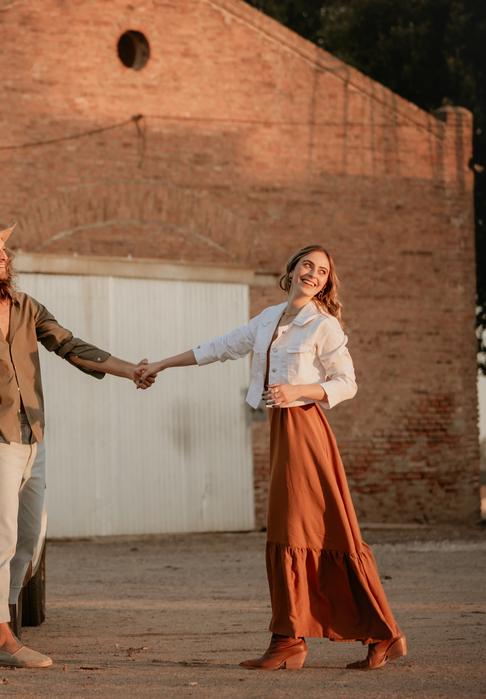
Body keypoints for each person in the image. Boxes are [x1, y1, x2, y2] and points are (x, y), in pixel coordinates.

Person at [133, 245, 406, 671]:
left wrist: (299, 390)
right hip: (282, 430)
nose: (313, 274)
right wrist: (162, 365)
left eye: (322, 271)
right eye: (307, 265)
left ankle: (379, 634)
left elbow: (347, 382)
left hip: (306, 430)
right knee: (285, 531)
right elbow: (220, 347)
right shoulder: (268, 319)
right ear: (292, 270)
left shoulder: (324, 324)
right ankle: (288, 639)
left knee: (322, 531)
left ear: (326, 283)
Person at [0, 218, 147, 668]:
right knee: (0, 535)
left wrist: (128, 370)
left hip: (34, 436)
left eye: (3, 248)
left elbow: (69, 345)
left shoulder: (26, 307)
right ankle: (1, 638)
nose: (3, 254)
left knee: (28, 537)